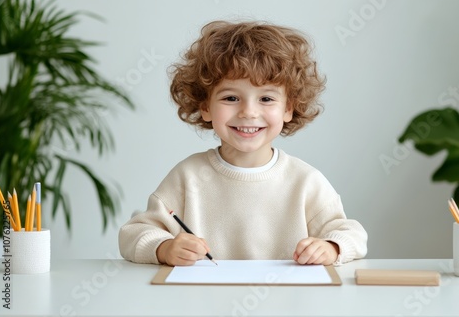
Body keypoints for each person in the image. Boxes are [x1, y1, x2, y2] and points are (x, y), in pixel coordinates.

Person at [118, 20, 367, 266]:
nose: (248, 112)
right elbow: (133, 234)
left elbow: (352, 234)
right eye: (231, 97)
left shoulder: (305, 181)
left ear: (288, 108)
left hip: (285, 303)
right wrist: (164, 248)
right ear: (205, 106)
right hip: (202, 303)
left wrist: (331, 247)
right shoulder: (187, 177)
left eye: (266, 98)